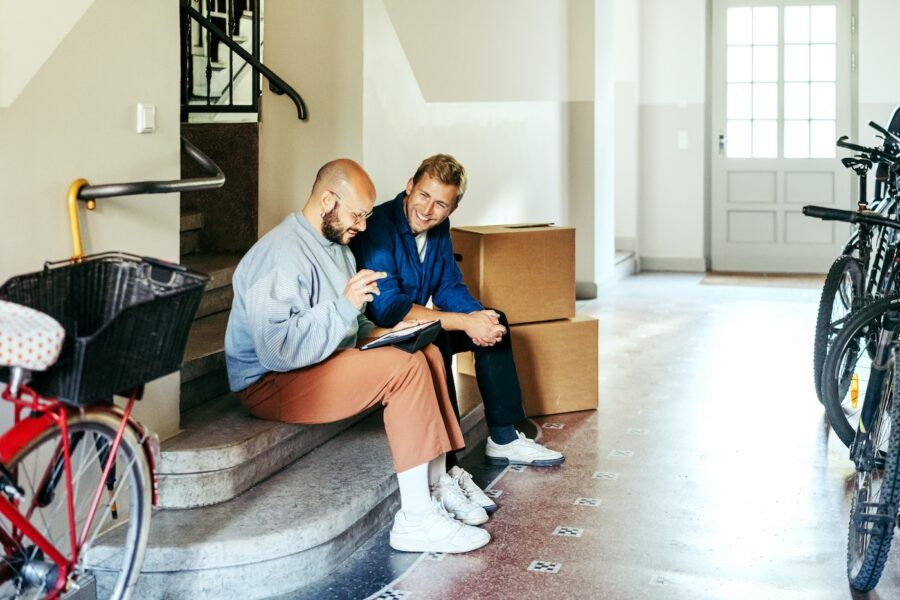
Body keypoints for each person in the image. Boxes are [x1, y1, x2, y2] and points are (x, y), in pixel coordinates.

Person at [224, 158, 490, 553]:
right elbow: (275, 349)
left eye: (367, 216)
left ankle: (436, 485)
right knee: (405, 370)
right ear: (328, 199)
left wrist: (390, 332)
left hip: (317, 359)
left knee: (428, 351)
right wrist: (346, 308)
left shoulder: (337, 246)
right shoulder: (280, 253)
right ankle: (416, 520)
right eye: (358, 215)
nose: (364, 227)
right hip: (269, 381)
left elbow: (351, 326)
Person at [351, 154, 565, 512]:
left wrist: (478, 318)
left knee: (496, 320)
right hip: (383, 334)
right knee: (437, 337)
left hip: (418, 323)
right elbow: (387, 307)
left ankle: (504, 436)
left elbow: (449, 285)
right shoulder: (379, 228)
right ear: (409, 185)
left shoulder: (439, 228)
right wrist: (463, 322)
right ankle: (448, 464)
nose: (427, 210)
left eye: (440, 204)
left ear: (453, 206)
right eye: (422, 196)